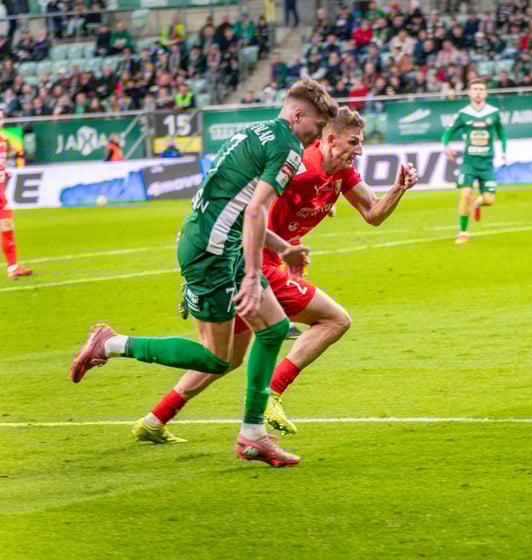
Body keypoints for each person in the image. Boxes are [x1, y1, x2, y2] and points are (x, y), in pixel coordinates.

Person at [70, 78, 339, 468]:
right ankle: (111, 343)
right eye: (317, 125)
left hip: (219, 243)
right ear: (298, 114)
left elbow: (238, 204)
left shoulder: (257, 132)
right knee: (216, 359)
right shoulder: (288, 147)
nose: (317, 135)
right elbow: (255, 210)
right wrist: (253, 276)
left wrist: (283, 249)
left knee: (274, 328)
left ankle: (252, 436)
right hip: (212, 252)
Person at [131, 106, 418, 443]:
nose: (360, 150)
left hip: (257, 263)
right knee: (335, 320)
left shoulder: (342, 173)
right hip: (252, 261)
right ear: (329, 139)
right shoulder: (300, 167)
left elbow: (373, 213)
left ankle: (155, 420)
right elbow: (245, 205)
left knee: (226, 359)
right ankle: (270, 396)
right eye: (353, 142)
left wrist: (399, 188)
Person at [441, 78, 507, 245]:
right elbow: (448, 132)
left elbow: (502, 133)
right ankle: (463, 232)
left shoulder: (494, 112)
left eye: (481, 89)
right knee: (465, 194)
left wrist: (504, 151)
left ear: (486, 93)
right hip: (469, 162)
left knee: (489, 200)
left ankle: (476, 202)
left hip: (487, 163)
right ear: (469, 92)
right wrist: (446, 146)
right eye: (475, 89)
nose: (478, 92)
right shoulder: (463, 114)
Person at [0, 109, 33, 279]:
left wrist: (4, 173)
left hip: (0, 194)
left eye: (1, 118)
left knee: (7, 227)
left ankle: (12, 267)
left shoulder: (3, 141)